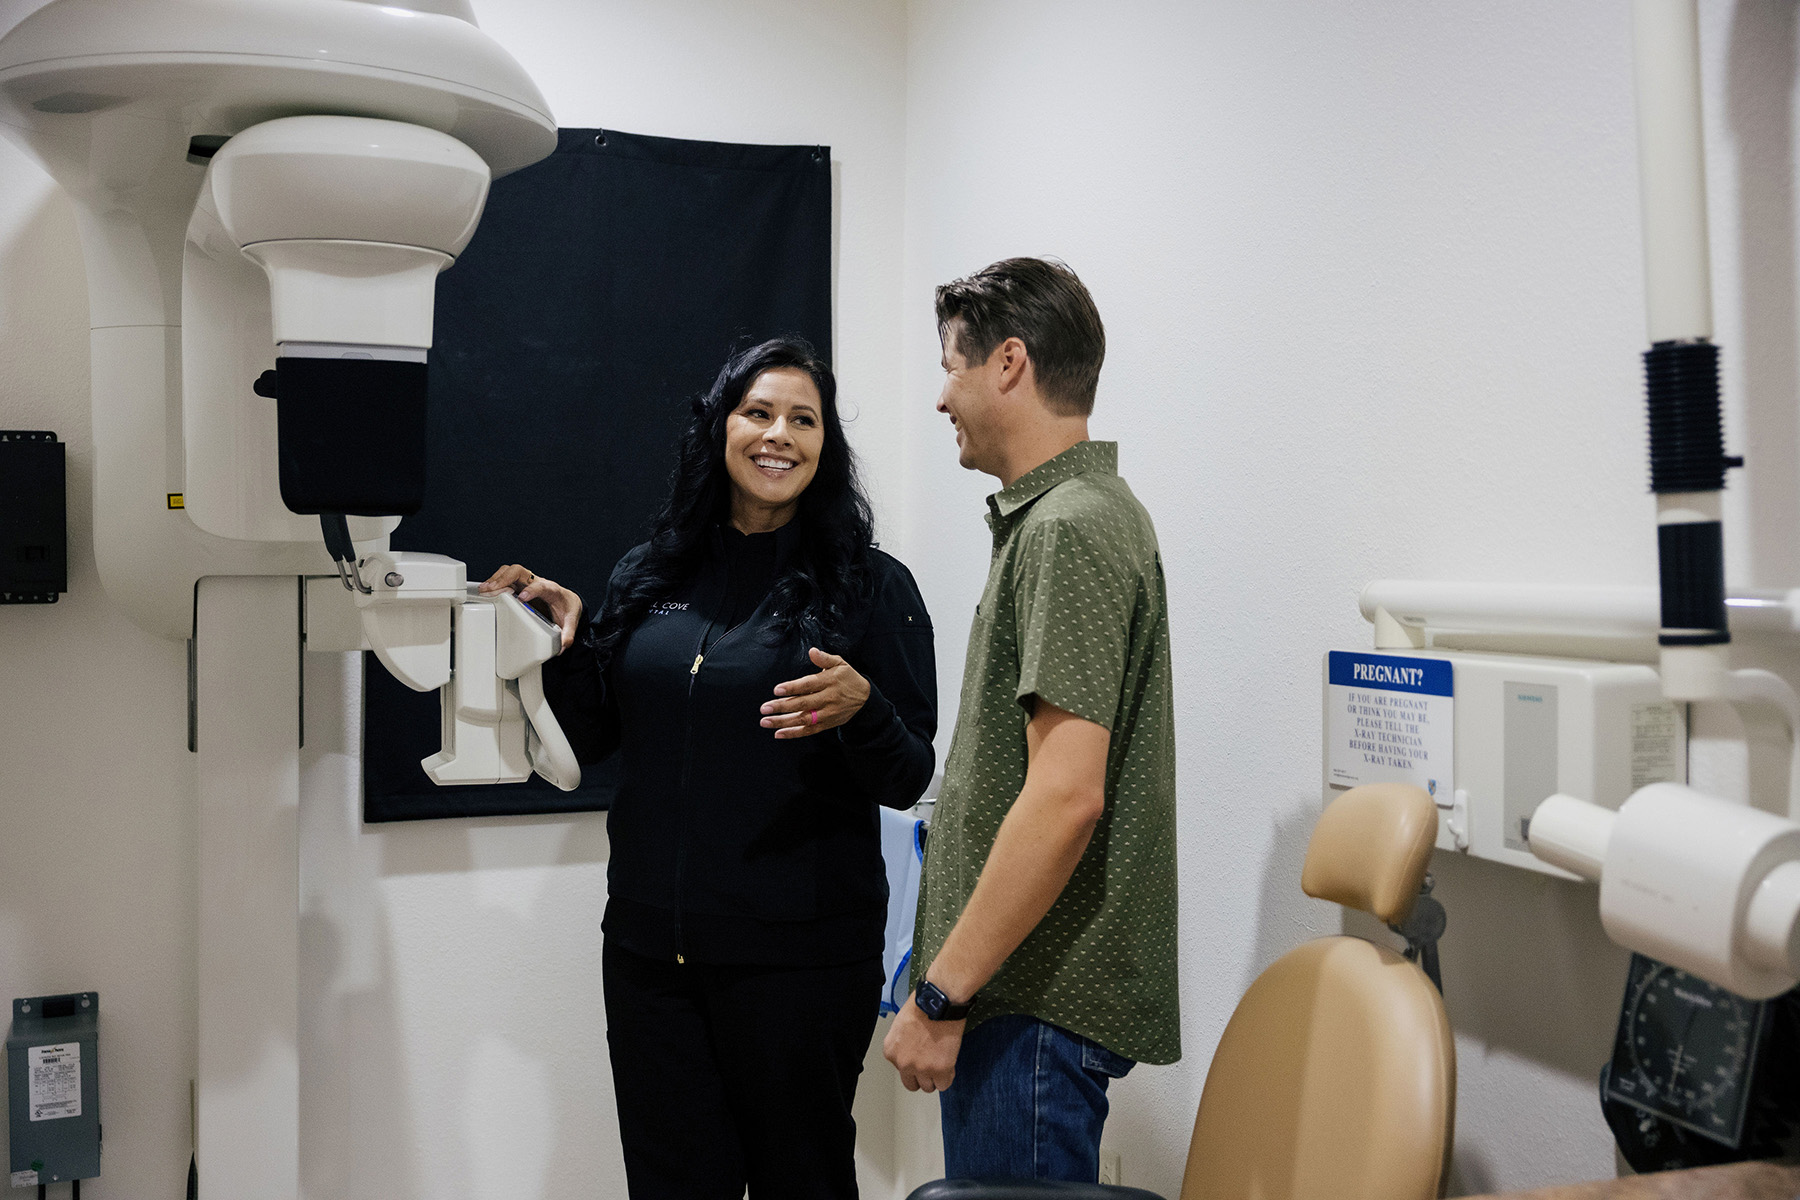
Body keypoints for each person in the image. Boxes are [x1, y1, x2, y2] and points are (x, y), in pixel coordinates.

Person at [484, 337, 937, 1200]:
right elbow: (592, 737)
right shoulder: (650, 573)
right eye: (758, 412)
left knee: (799, 1184)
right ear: (721, 429)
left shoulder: (869, 588)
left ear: (825, 446)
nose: (779, 435)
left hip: (800, 967)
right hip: (652, 960)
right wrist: (552, 642)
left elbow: (908, 773)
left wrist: (864, 711)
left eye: (803, 420)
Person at [882, 258, 1179, 1181]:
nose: (942, 398)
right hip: (1017, 1006)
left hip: (1031, 1013)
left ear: (1009, 363)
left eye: (951, 367)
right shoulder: (1065, 520)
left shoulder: (1072, 528)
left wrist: (939, 994)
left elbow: (1064, 799)